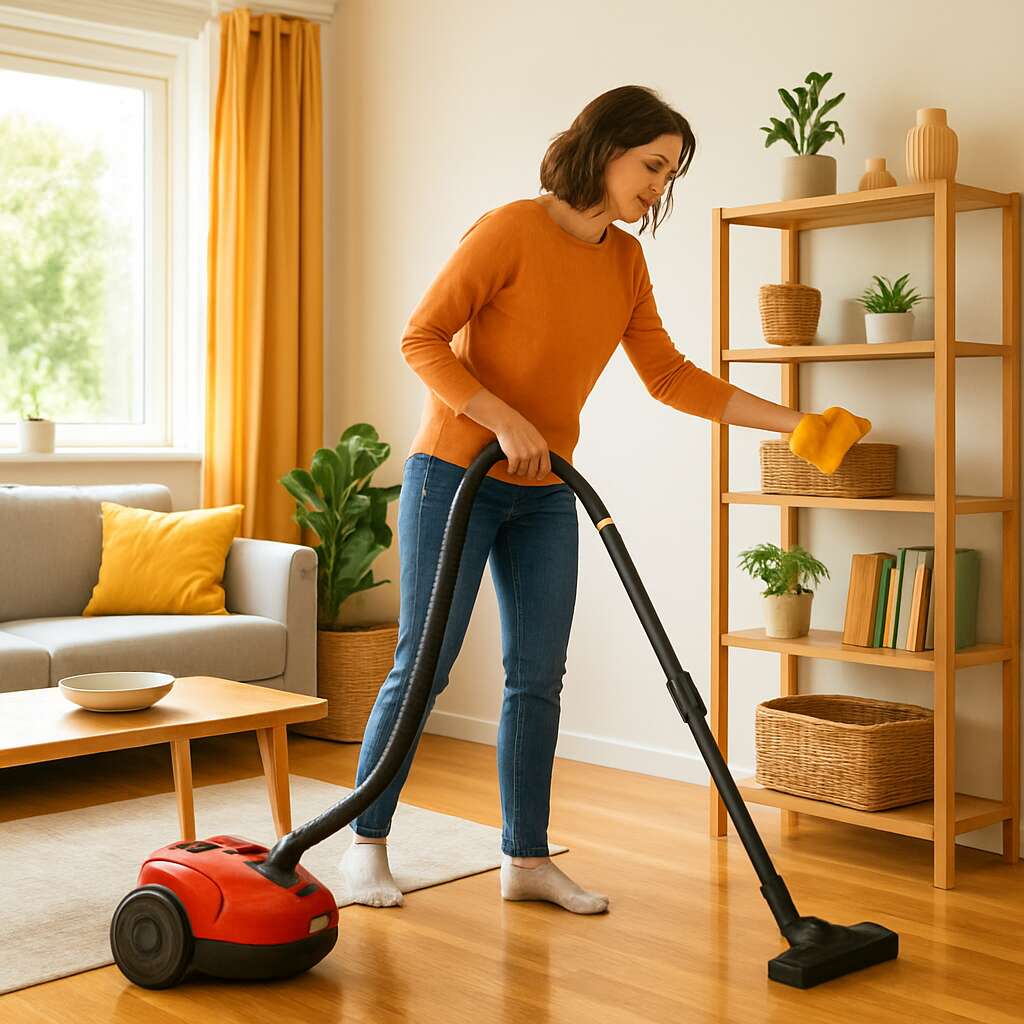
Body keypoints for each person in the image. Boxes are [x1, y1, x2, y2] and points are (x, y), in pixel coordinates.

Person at [340, 85, 870, 913]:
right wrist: (501, 418)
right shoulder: (509, 229)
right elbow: (422, 337)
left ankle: (526, 860)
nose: (659, 187)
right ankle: (365, 845)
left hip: (546, 489)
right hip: (454, 477)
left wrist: (796, 424)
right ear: (605, 148)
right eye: (652, 165)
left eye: (670, 174)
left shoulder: (625, 262)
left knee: (537, 676)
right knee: (425, 666)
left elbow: (670, 377)